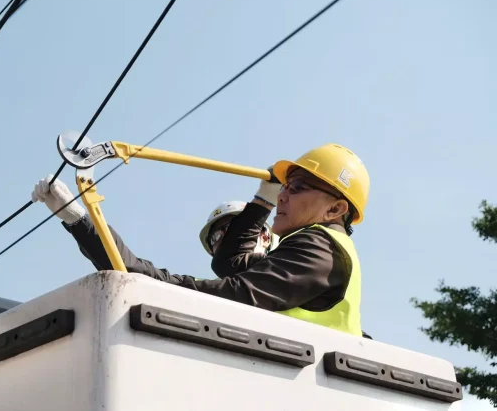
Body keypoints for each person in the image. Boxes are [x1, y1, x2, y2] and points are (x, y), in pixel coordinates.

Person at [34, 142, 369, 336]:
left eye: (295, 188)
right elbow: (230, 263)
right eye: (283, 187)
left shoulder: (319, 249)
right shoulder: (309, 252)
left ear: (335, 208)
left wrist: (158, 286)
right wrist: (261, 200)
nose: (283, 197)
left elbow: (238, 293)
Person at [30, 179, 276, 274]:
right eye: (214, 239)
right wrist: (76, 218)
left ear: (264, 234)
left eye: (231, 228)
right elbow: (132, 269)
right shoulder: (214, 293)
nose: (222, 240)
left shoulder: (293, 259)